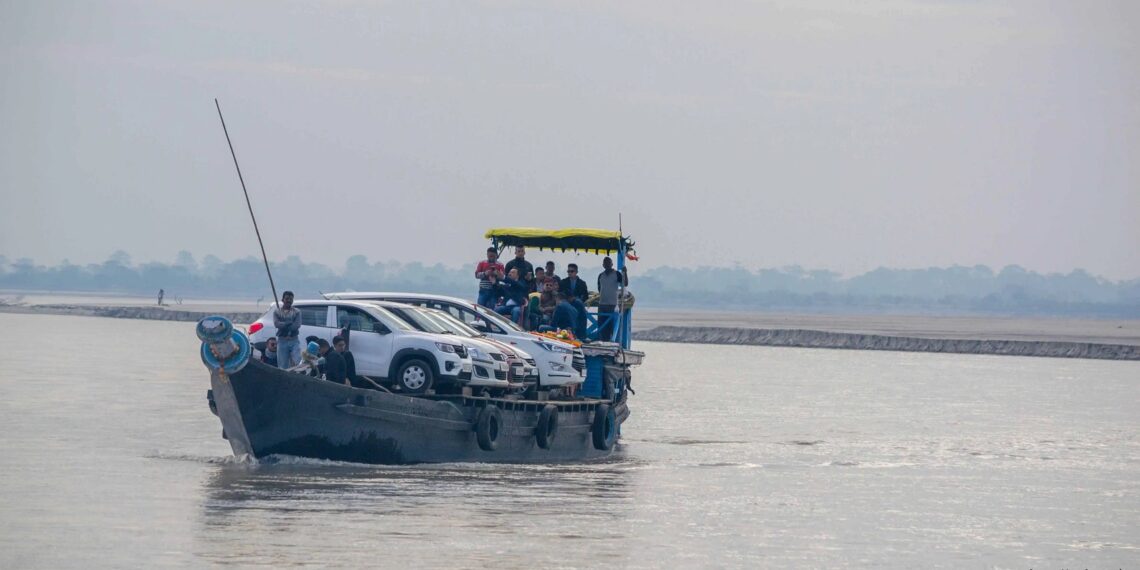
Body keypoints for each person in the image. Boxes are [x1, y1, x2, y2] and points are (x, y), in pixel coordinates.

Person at [596, 256, 629, 341]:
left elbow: (625, 283)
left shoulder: (617, 274)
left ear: (612, 264)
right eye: (605, 263)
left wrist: (625, 273)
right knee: (601, 325)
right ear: (603, 265)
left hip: (612, 305)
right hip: (602, 304)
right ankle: (601, 341)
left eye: (608, 262)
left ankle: (612, 341)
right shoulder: (601, 275)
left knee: (611, 326)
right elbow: (599, 288)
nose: (607, 264)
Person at [559, 263, 589, 339]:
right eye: (568, 271)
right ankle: (568, 334)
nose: (569, 273)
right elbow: (560, 293)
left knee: (581, 312)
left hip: (578, 305)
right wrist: (568, 298)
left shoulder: (582, 283)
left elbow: (585, 296)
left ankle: (581, 336)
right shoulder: (563, 282)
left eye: (571, 271)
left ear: (576, 272)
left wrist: (576, 299)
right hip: (567, 304)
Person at [273, 291, 302, 368]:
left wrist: (283, 324)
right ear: (282, 300)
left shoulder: (297, 312)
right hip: (282, 340)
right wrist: (288, 323)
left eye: (291, 299)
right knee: (282, 365)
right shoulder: (277, 312)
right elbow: (277, 324)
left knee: (298, 362)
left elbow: (296, 326)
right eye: (287, 298)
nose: (289, 300)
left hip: (294, 340)